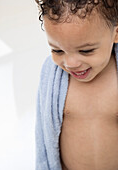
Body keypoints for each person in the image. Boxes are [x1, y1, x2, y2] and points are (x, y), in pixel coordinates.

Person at [35, 0, 118, 169]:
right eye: (57, 50)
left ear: (115, 34)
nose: (71, 63)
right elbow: (44, 136)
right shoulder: (52, 78)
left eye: (86, 51)